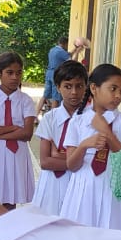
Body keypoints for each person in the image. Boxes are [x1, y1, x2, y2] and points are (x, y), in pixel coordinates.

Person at [60, 63, 121, 229]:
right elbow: (71, 165)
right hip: (84, 190)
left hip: (114, 191)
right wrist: (83, 146)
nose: (118, 95)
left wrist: (107, 132)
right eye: (113, 89)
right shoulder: (78, 120)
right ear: (94, 88)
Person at [0, 52, 37, 209]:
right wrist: (14, 128)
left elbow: (27, 133)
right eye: (9, 73)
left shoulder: (26, 101)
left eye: (19, 73)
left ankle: (9, 229)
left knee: (11, 198)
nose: (15, 77)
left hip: (17, 154)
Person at [32, 59, 87, 217]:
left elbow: (91, 163)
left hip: (80, 184)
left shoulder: (92, 120)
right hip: (52, 184)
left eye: (79, 86)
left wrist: (57, 155)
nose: (74, 92)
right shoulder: (50, 118)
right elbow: (45, 162)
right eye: (67, 87)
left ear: (87, 87)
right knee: (48, 227)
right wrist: (74, 161)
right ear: (58, 87)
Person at [42, 36, 71, 111]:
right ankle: (53, 117)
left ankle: (36, 113)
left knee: (45, 96)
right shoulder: (61, 52)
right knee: (56, 98)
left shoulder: (52, 50)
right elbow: (70, 60)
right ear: (65, 44)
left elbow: (68, 54)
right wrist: (78, 51)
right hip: (55, 74)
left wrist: (76, 49)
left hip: (48, 73)